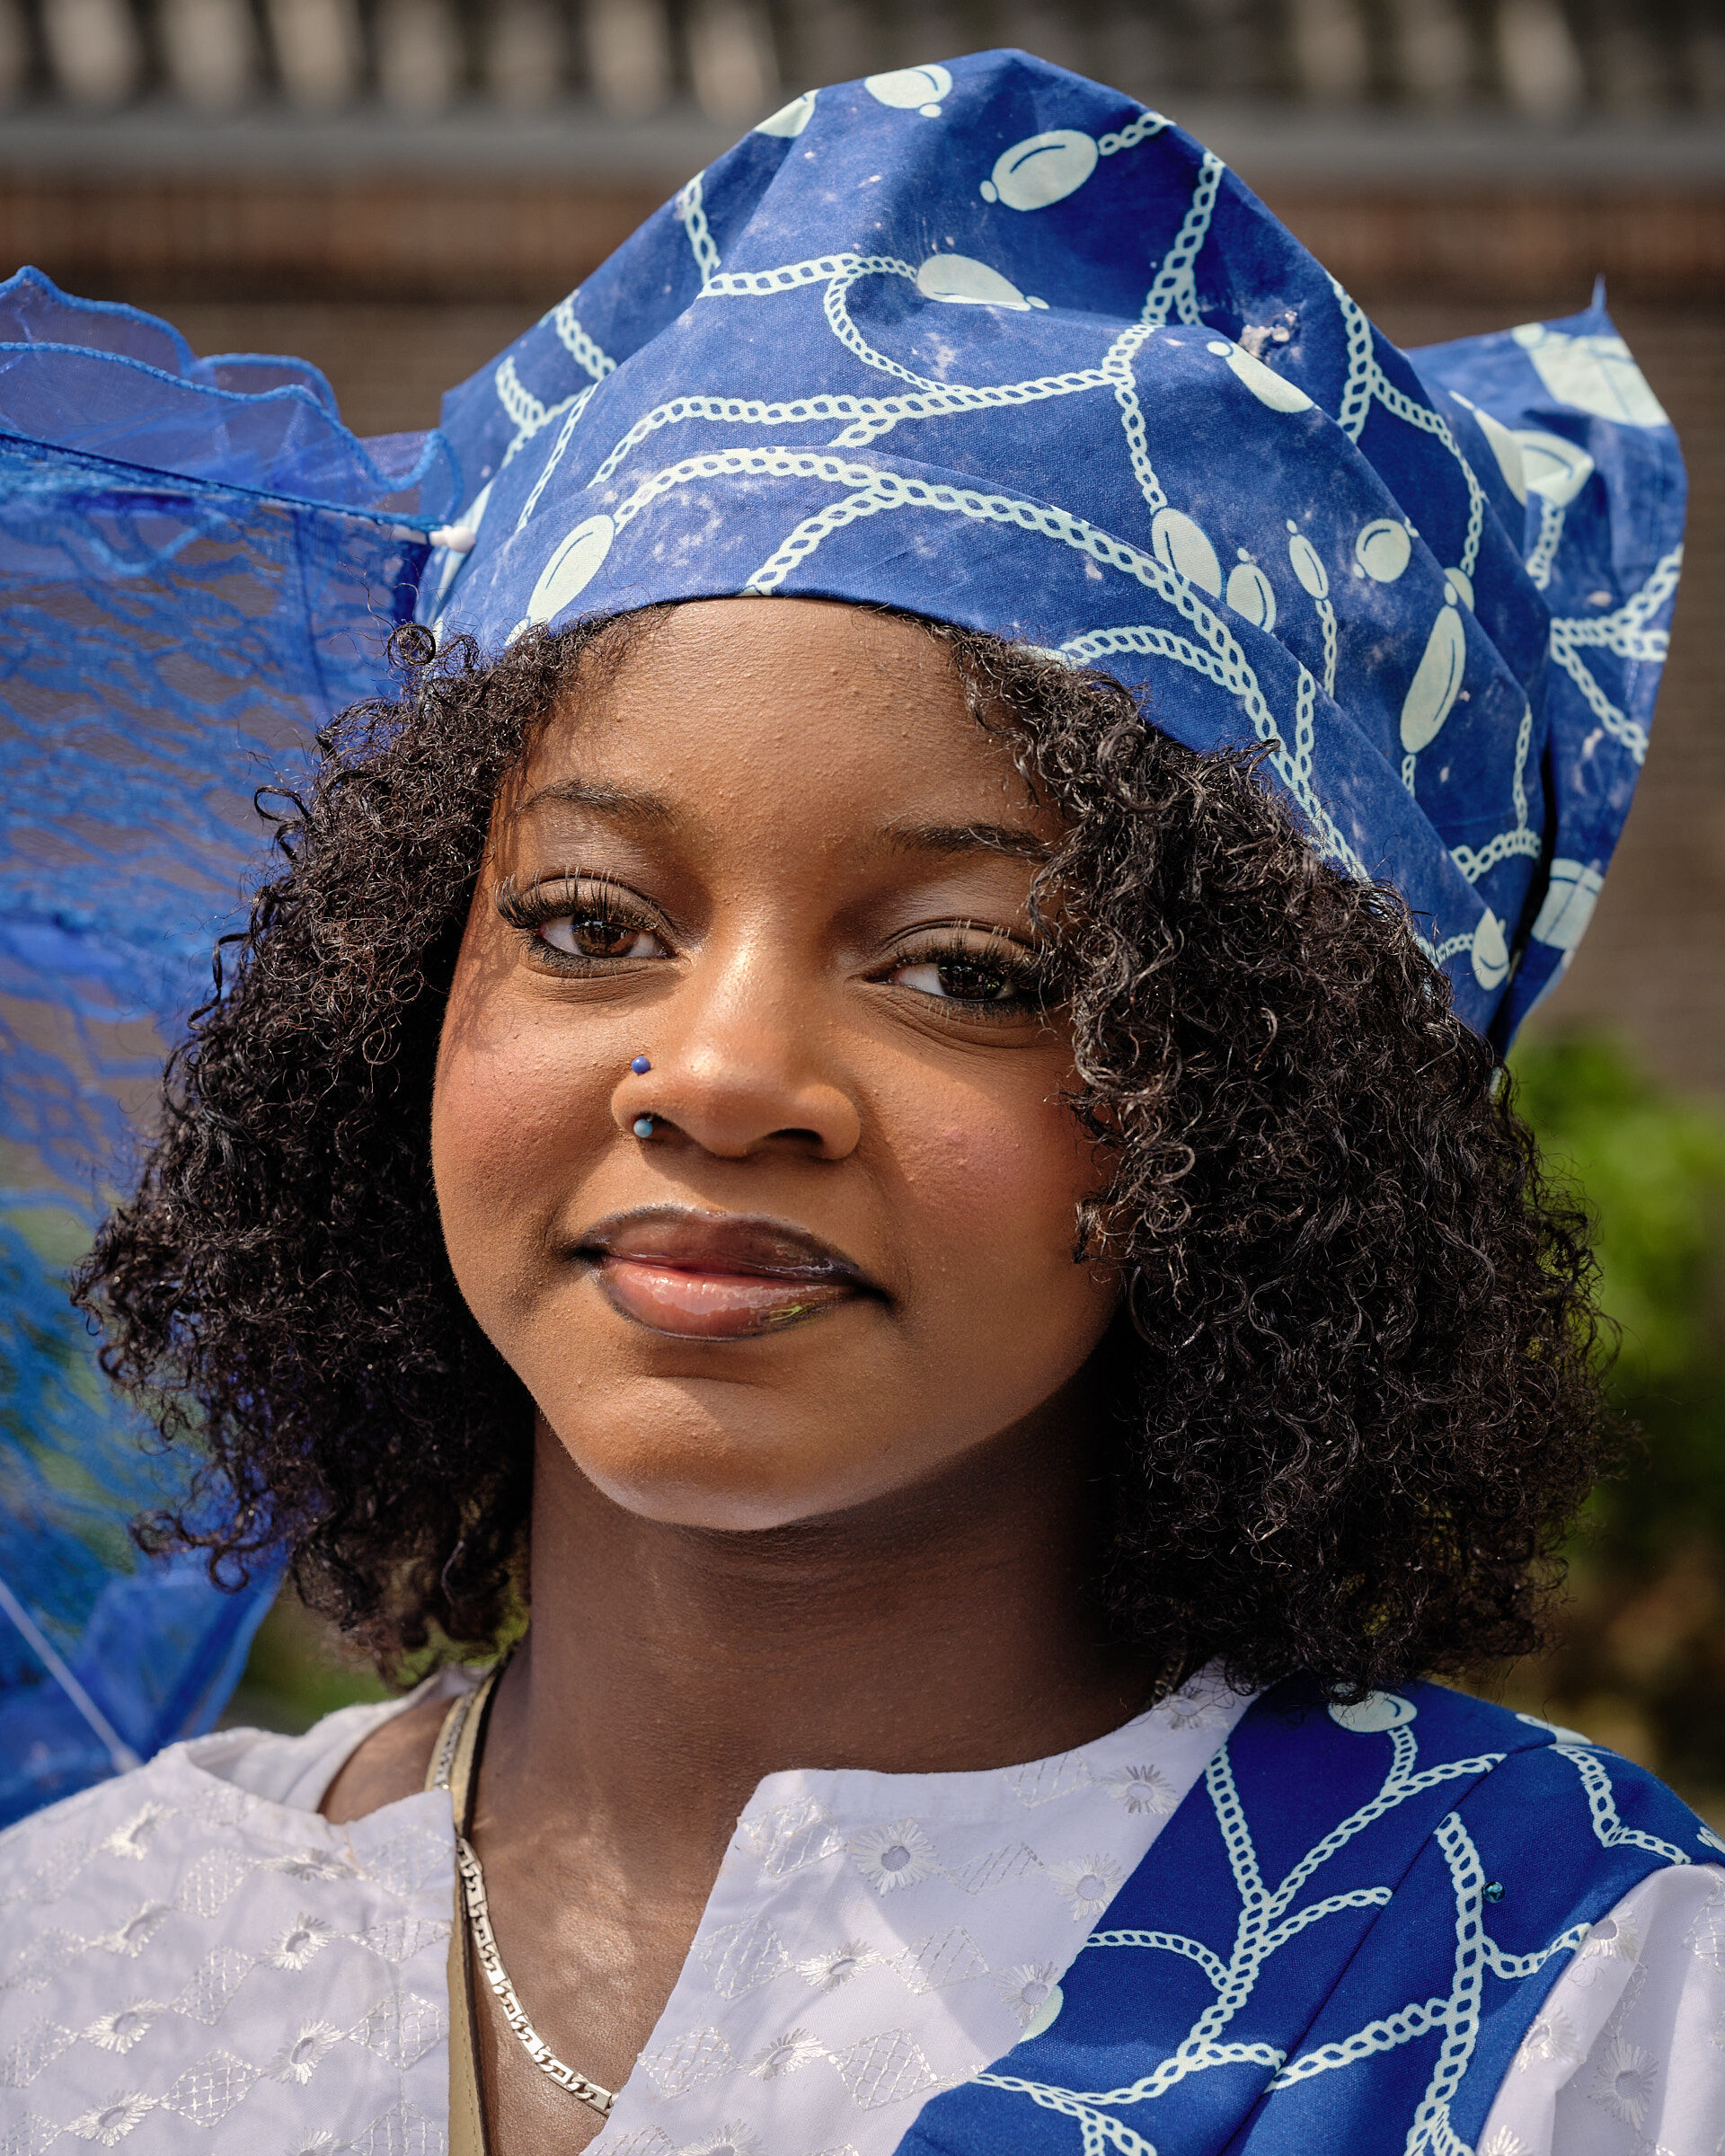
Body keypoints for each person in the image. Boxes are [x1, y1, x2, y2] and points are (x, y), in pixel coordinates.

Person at [1, 46, 1716, 2156]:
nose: (719, 1076)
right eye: (589, 921)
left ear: (1258, 1120)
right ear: (392, 1001)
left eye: (969, 971)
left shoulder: (1580, 2015)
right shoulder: (68, 1972)